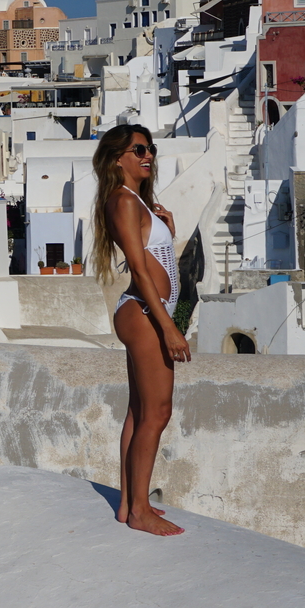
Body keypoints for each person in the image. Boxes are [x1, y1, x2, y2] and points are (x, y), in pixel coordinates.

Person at [89, 123, 190, 536]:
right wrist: (168, 326)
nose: (148, 155)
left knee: (139, 411)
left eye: (150, 148)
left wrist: (168, 227)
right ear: (118, 158)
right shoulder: (123, 202)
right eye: (138, 149)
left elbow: (157, 256)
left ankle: (129, 503)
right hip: (145, 314)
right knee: (158, 413)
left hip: (149, 312)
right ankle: (140, 511)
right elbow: (140, 268)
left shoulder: (135, 201)